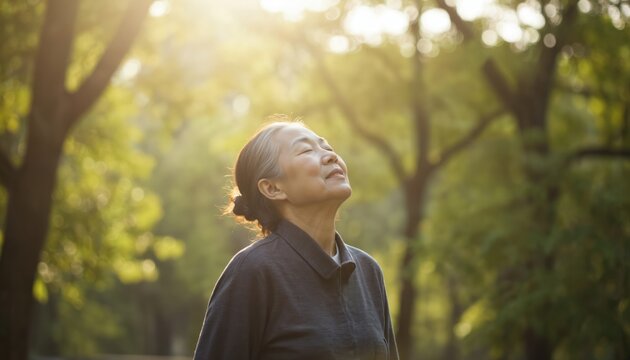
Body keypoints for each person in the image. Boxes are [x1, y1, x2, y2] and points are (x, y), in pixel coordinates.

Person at [193, 118, 399, 360]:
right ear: (272, 188)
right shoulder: (252, 271)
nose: (330, 156)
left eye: (328, 147)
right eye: (307, 150)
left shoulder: (368, 271)